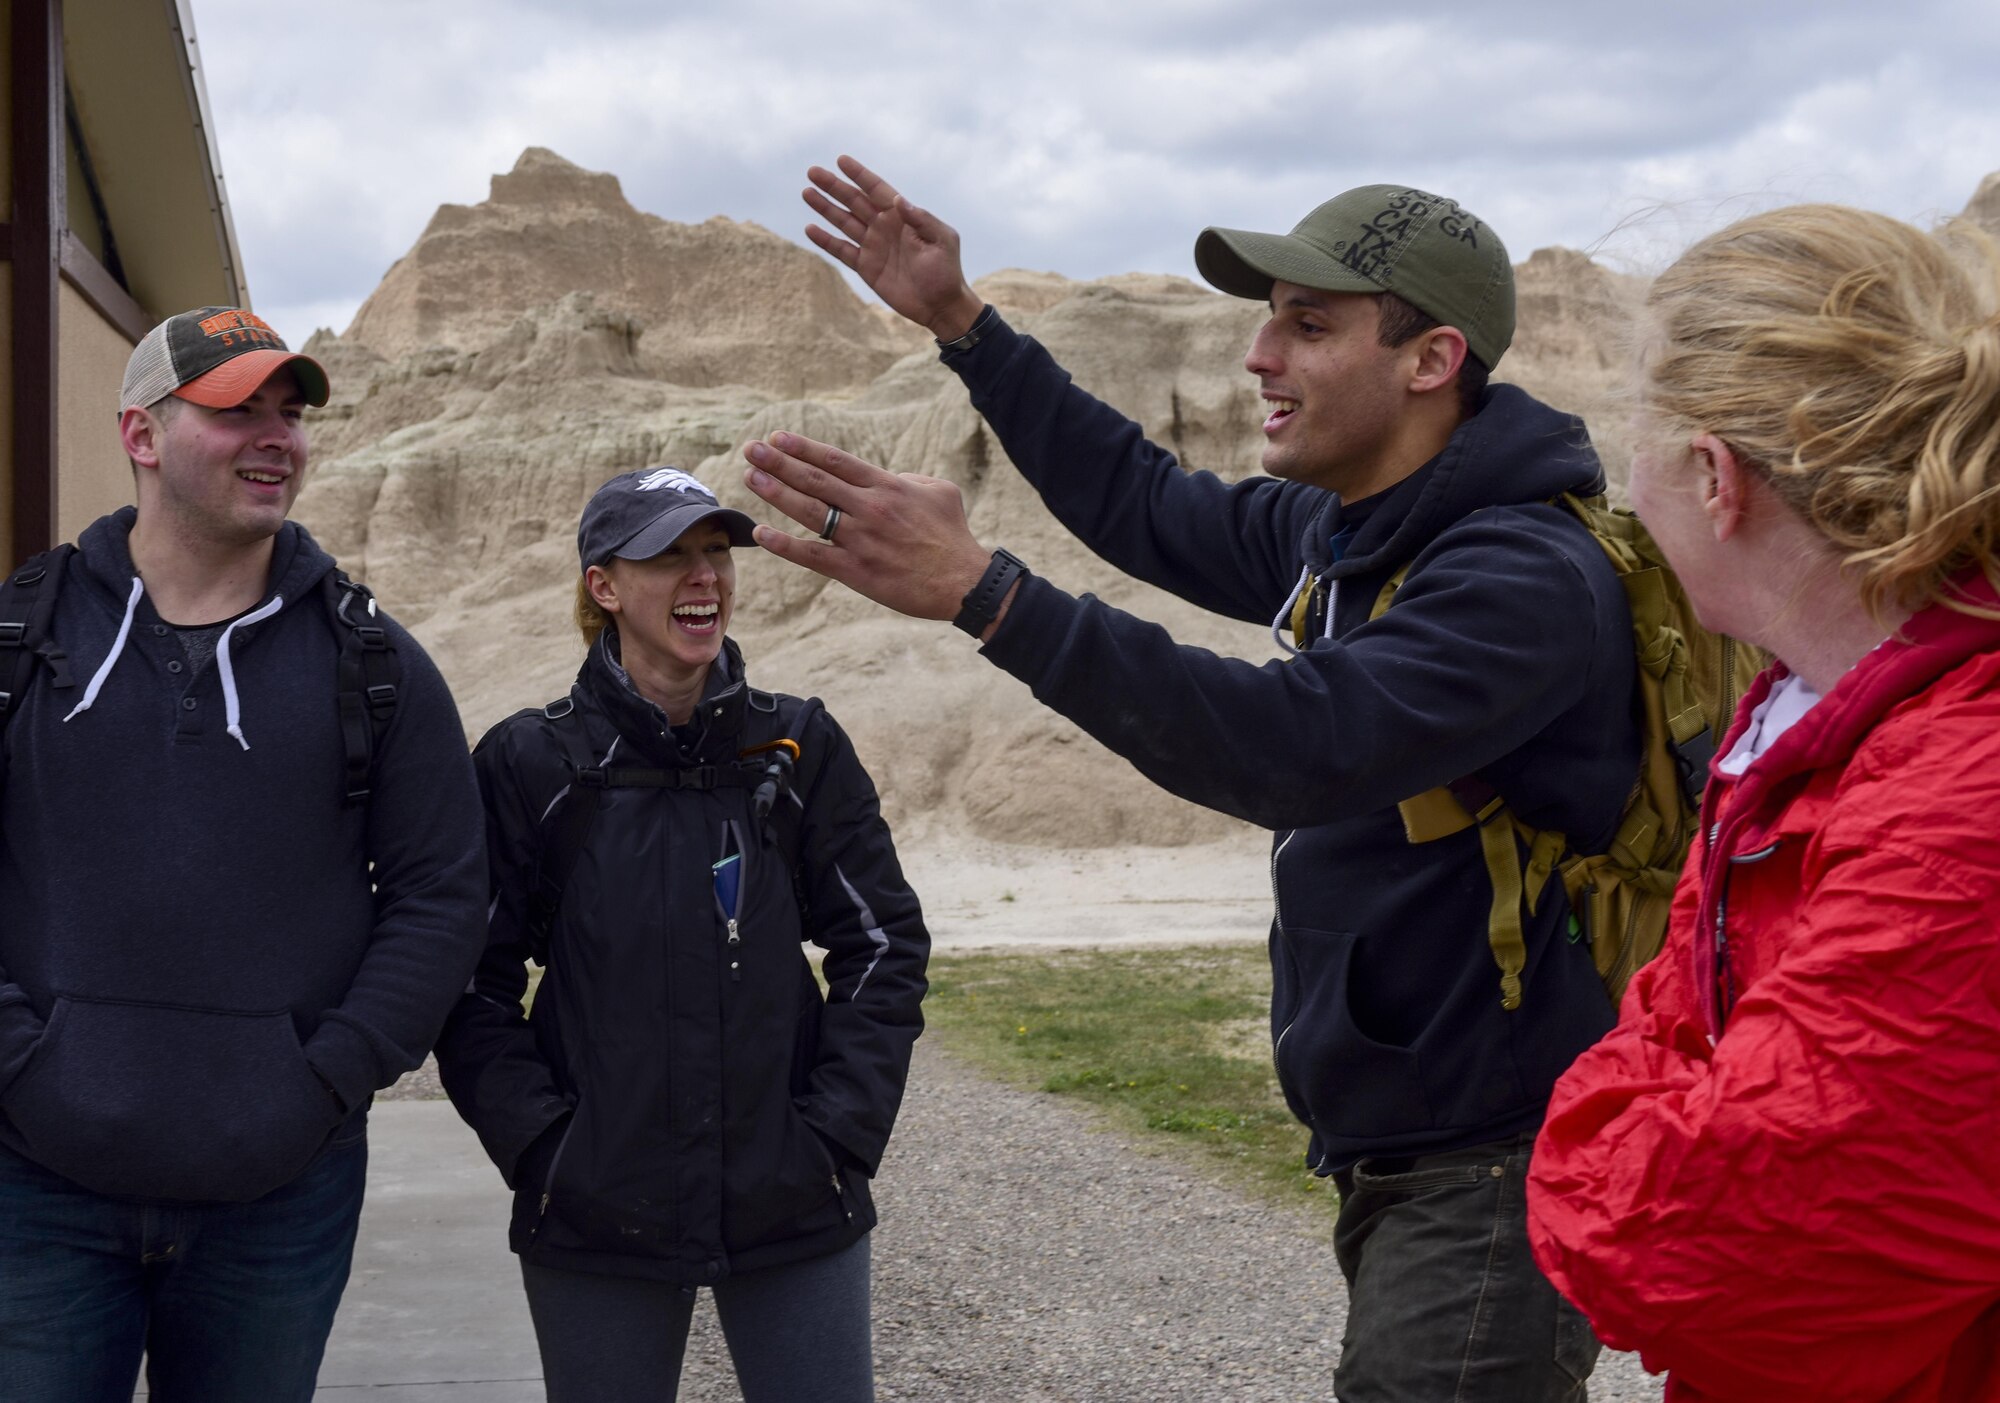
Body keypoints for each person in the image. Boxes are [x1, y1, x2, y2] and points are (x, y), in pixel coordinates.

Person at [740, 157, 1640, 1400]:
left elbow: (1286, 744)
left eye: (1307, 324)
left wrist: (982, 591)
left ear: (1431, 360)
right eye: (1267, 316)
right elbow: (1143, 501)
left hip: (1497, 1155)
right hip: (1421, 1147)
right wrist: (963, 324)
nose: (1260, 354)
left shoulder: (1521, 577)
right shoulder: (1357, 532)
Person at [1526, 206, 2000, 1401]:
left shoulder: (1956, 803)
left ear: (1712, 475)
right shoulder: (1806, 722)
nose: (1629, 493)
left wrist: (1612, 1123)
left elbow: (1687, 1248)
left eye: (1635, 439)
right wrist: (1675, 1102)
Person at [0, 307, 486, 1401]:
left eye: (291, 411)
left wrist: (328, 1074)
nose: (277, 436)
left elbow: (442, 894)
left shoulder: (375, 662)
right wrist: (20, 1063)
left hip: (280, 1197)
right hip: (34, 1191)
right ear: (141, 433)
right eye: (236, 411)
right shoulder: (22, 635)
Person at [435, 467, 930, 1403]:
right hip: (593, 1208)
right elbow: (469, 982)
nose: (704, 577)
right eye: (670, 556)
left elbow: (883, 945)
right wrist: (544, 1149)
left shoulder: (795, 747)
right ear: (605, 585)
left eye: (716, 553)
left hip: (791, 1194)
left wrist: (835, 1136)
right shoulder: (530, 760)